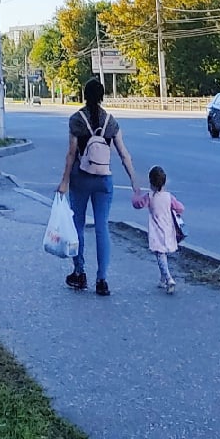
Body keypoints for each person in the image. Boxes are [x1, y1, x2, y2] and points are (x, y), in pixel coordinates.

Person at [57, 77, 141, 296]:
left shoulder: (77, 119)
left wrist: (64, 181)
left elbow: (71, 153)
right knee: (102, 227)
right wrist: (134, 180)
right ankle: (102, 280)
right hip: (104, 180)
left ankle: (79, 273)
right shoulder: (111, 122)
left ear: (85, 95)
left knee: (79, 225)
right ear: (103, 96)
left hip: (81, 178)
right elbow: (123, 153)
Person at [145, 164, 184, 294]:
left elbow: (136, 204)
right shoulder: (169, 197)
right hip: (168, 229)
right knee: (162, 254)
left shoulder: (149, 196)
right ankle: (162, 278)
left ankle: (169, 278)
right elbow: (180, 208)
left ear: (151, 182)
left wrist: (136, 193)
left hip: (157, 230)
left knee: (160, 254)